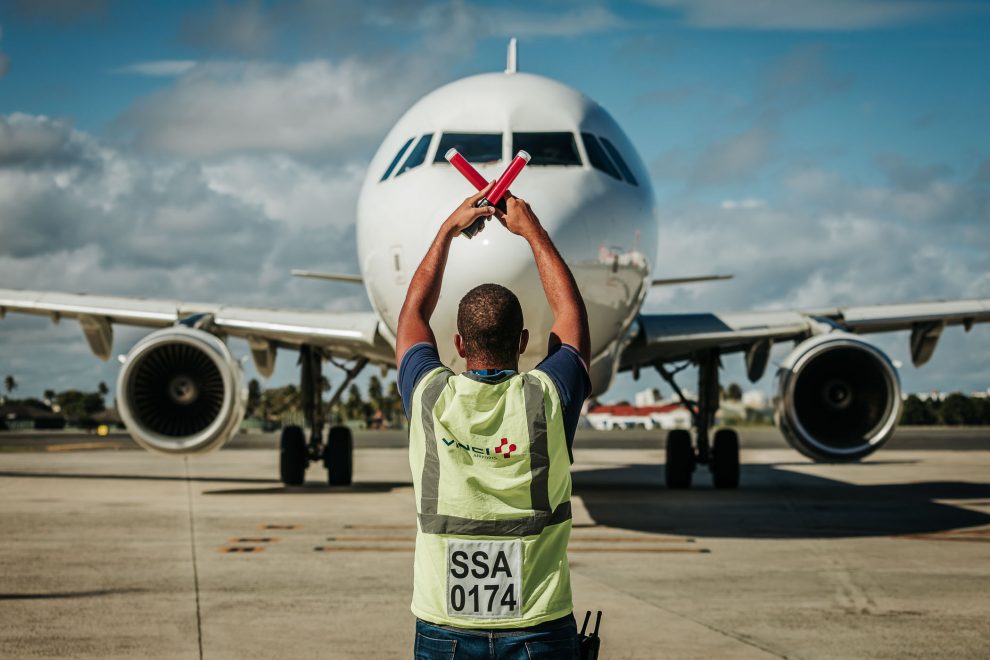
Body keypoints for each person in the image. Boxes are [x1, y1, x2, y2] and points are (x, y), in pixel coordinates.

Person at [396, 181, 591, 659]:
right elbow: (570, 313)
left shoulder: (429, 395)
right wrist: (532, 232)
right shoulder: (548, 395)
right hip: (538, 623)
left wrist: (447, 232)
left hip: (445, 623)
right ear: (524, 341)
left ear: (458, 345)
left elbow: (411, 315)